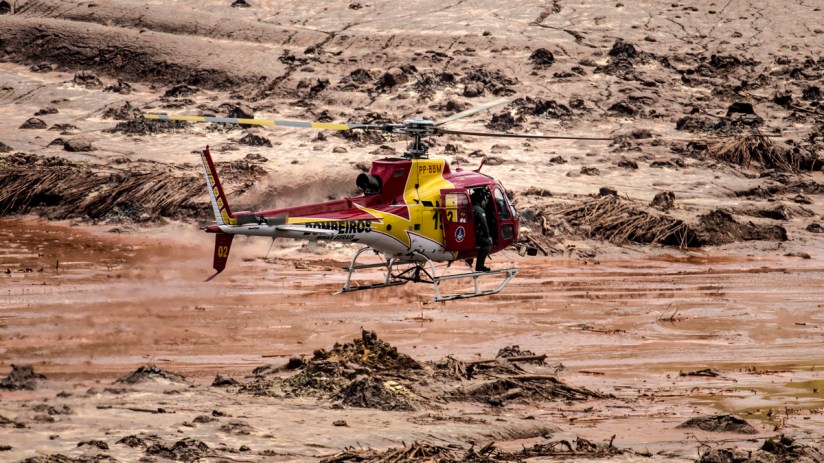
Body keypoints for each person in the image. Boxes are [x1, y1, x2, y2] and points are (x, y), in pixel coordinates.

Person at [471, 190, 492, 272]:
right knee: (487, 244)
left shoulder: (472, 207)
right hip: (476, 234)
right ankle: (480, 265)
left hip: (471, 233)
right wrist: (487, 235)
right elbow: (484, 224)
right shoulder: (479, 210)